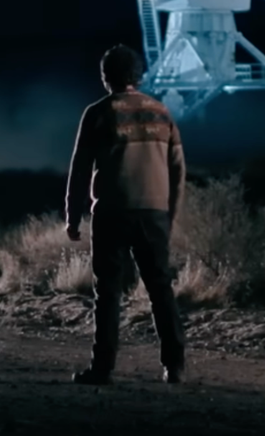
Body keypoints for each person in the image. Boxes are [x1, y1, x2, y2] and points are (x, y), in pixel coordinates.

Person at [64, 44, 187, 385]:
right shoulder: (162, 113)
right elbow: (178, 170)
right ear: (139, 75)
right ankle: (175, 366)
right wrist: (170, 216)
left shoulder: (98, 113)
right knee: (160, 289)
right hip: (154, 213)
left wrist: (72, 216)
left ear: (105, 77)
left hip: (112, 212)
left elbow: (80, 167)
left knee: (108, 292)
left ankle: (102, 368)